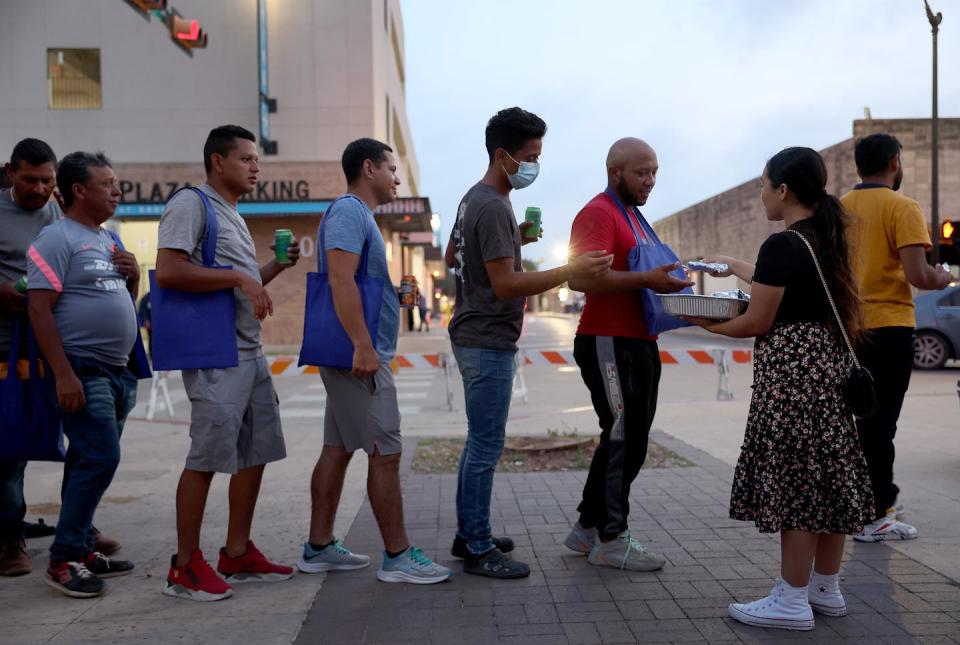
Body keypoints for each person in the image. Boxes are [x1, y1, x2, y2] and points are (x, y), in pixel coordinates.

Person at [687, 147, 874, 630]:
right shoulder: (824, 238)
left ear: (784, 190)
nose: (762, 192)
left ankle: (790, 600)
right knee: (829, 481)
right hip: (827, 375)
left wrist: (706, 326)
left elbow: (756, 318)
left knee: (797, 486)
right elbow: (779, 277)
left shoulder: (784, 243)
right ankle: (824, 589)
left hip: (792, 381)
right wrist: (733, 263)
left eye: (764, 184)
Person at [445, 107, 613, 579]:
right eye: (530, 156)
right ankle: (477, 546)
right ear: (503, 156)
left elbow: (452, 254)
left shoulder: (473, 200)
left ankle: (469, 531)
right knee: (485, 446)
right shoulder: (493, 205)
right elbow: (505, 285)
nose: (535, 165)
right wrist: (570, 271)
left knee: (478, 443)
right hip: (487, 338)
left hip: (473, 334)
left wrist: (512, 238)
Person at [155, 125, 299, 601]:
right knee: (206, 458)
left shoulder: (234, 214)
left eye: (258, 160)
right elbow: (173, 270)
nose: (256, 167)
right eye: (247, 159)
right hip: (216, 355)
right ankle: (184, 566)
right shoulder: (190, 204)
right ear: (218, 161)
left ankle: (236, 553)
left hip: (250, 353)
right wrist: (240, 277)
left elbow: (239, 281)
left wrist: (273, 269)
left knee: (255, 454)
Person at [299, 138, 451, 584]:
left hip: (356, 353)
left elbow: (357, 282)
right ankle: (398, 556)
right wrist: (363, 345)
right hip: (359, 358)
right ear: (369, 168)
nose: (398, 179)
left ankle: (319, 546)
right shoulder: (349, 211)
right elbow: (341, 281)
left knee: (339, 447)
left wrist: (397, 299)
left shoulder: (359, 216)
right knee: (386, 451)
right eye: (391, 169)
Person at [562, 138, 693, 571]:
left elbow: (640, 274)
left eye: (655, 171)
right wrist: (645, 280)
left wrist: (665, 281)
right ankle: (611, 539)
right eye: (642, 173)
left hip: (639, 341)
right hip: (607, 340)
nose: (651, 181)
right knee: (622, 438)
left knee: (630, 439)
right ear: (615, 171)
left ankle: (586, 529)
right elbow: (581, 281)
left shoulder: (633, 216)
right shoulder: (598, 213)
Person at [27, 151, 141, 598]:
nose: (116, 191)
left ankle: (83, 546)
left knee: (85, 460)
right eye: (107, 183)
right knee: (101, 457)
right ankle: (63, 559)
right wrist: (63, 375)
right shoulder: (57, 238)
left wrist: (132, 279)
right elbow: (39, 308)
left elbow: (116, 299)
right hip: (82, 369)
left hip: (117, 371)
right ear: (79, 190)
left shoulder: (107, 238)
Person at [841, 134, 952, 542]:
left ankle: (868, 498)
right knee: (881, 423)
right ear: (894, 162)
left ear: (858, 167)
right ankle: (876, 515)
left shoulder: (838, 208)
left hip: (848, 328)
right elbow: (919, 275)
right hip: (889, 327)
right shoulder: (902, 207)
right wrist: (945, 276)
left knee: (857, 421)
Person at [0, 138, 62, 577]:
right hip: (6, 347)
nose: (39, 189)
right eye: (29, 180)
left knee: (80, 436)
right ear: (9, 173)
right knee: (8, 447)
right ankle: (10, 541)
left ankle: (80, 527)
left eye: (47, 180)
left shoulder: (57, 210)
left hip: (53, 343)